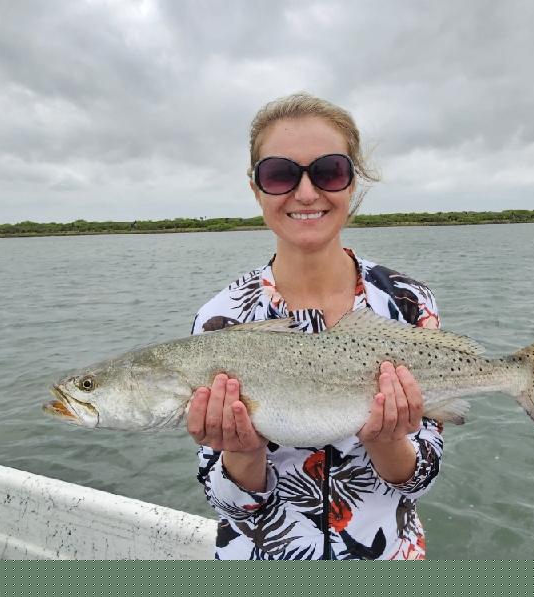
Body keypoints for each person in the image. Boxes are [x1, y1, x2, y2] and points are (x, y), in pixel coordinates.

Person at [186, 92, 444, 560]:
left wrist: (389, 442)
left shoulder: (408, 302)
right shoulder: (220, 318)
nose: (306, 193)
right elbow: (228, 506)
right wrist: (242, 454)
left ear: (352, 182)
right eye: (280, 174)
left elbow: (421, 479)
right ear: (256, 188)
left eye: (328, 171)